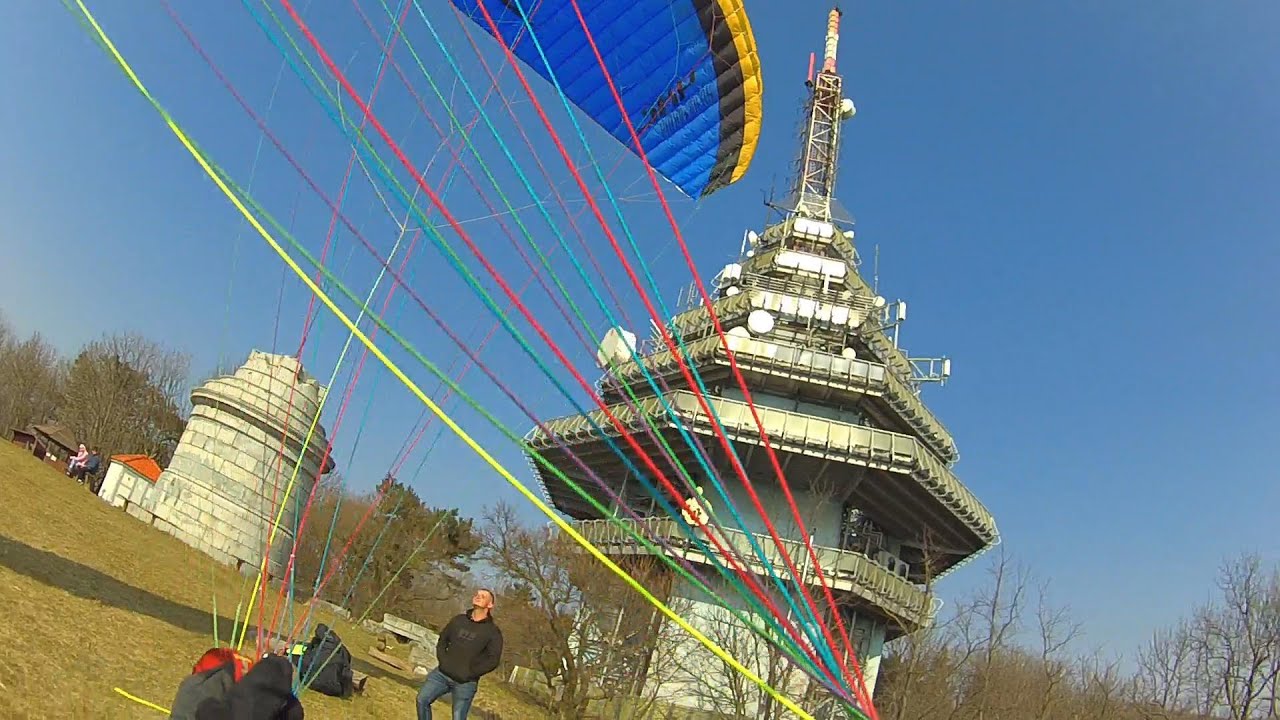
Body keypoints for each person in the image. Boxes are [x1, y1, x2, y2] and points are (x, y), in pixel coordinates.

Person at [416, 589, 504, 720]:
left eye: (483, 596)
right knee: (422, 700)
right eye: (477, 595)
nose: (478, 597)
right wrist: (443, 661)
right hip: (442, 674)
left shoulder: (493, 632)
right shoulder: (458, 620)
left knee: (458, 717)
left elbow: (493, 660)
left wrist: (471, 673)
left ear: (490, 605)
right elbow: (442, 640)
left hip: (466, 682)